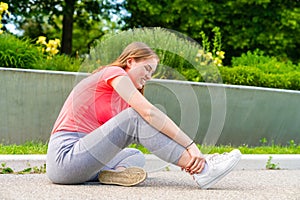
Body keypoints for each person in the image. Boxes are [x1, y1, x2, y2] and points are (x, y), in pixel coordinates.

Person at [46, 42, 242, 189]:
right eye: (147, 68)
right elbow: (149, 113)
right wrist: (191, 147)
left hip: (86, 162)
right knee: (135, 116)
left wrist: (182, 151)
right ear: (130, 61)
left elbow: (151, 130)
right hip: (66, 158)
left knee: (135, 155)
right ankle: (203, 170)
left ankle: (112, 175)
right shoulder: (112, 72)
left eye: (153, 73)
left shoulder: (121, 100)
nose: (149, 76)